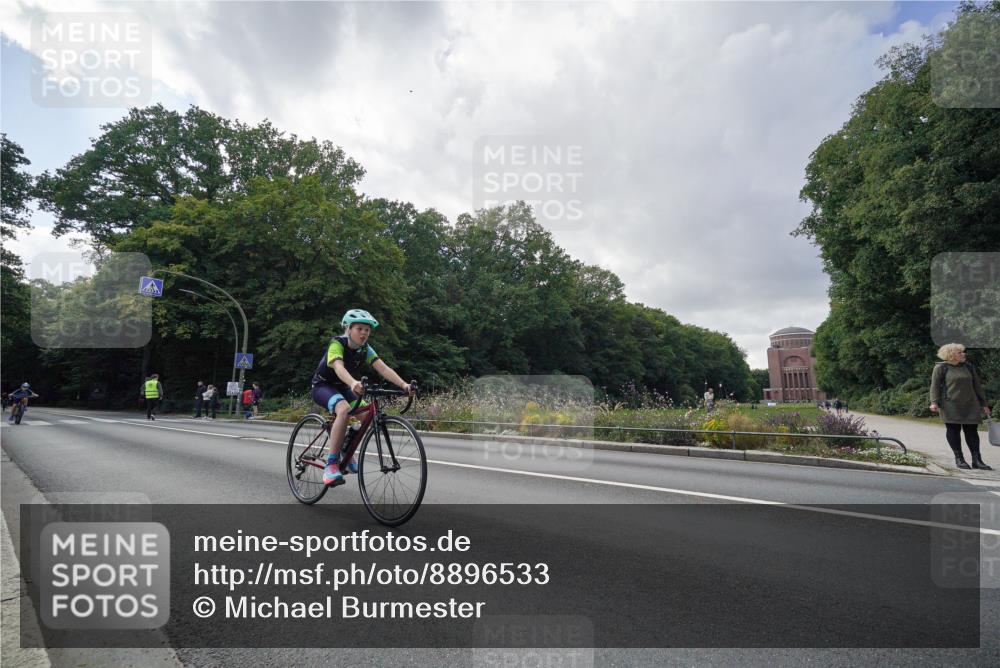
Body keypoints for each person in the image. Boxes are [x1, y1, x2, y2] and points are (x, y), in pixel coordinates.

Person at [311, 309, 414, 487]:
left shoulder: (365, 349)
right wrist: (353, 382)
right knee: (343, 409)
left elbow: (383, 368)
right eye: (359, 329)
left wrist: (404, 385)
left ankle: (345, 446)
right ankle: (331, 465)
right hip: (323, 386)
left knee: (368, 416)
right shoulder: (337, 344)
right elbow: (338, 367)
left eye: (367, 330)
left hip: (343, 386)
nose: (364, 333)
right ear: (348, 329)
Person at [930, 343, 992, 470]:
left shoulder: (968, 367)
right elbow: (934, 386)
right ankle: (959, 459)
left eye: (963, 352)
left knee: (972, 432)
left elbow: (977, 386)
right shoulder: (941, 368)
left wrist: (984, 404)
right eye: (960, 352)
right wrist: (934, 402)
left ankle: (977, 460)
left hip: (971, 404)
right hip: (950, 404)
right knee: (954, 430)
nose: (964, 354)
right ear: (951, 355)